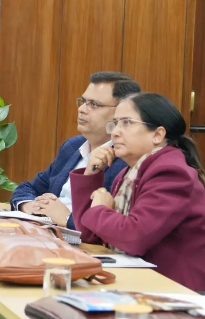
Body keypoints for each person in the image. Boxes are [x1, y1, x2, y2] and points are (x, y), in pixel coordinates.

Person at [70, 93, 205, 292]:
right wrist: (91, 174)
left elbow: (134, 237)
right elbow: (89, 234)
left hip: (181, 292)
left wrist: (99, 209)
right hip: (144, 282)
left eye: (126, 123)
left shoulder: (171, 173)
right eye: (114, 123)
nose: (115, 133)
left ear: (158, 135)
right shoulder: (129, 173)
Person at [11, 72, 140, 228]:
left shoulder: (126, 160)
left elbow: (110, 226)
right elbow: (29, 187)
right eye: (83, 101)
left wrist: (66, 218)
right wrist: (31, 206)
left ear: (121, 112)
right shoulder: (72, 146)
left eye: (94, 104)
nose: (82, 109)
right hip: (43, 230)